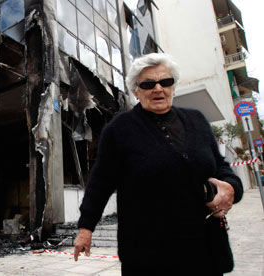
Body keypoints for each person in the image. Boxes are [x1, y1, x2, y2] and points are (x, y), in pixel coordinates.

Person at [73, 53, 243, 276]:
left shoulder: (197, 120)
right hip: (148, 253)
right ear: (136, 90)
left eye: (166, 81)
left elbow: (220, 166)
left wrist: (231, 187)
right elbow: (100, 182)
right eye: (148, 84)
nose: (158, 89)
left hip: (204, 249)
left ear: (173, 85)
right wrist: (86, 227)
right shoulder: (119, 129)